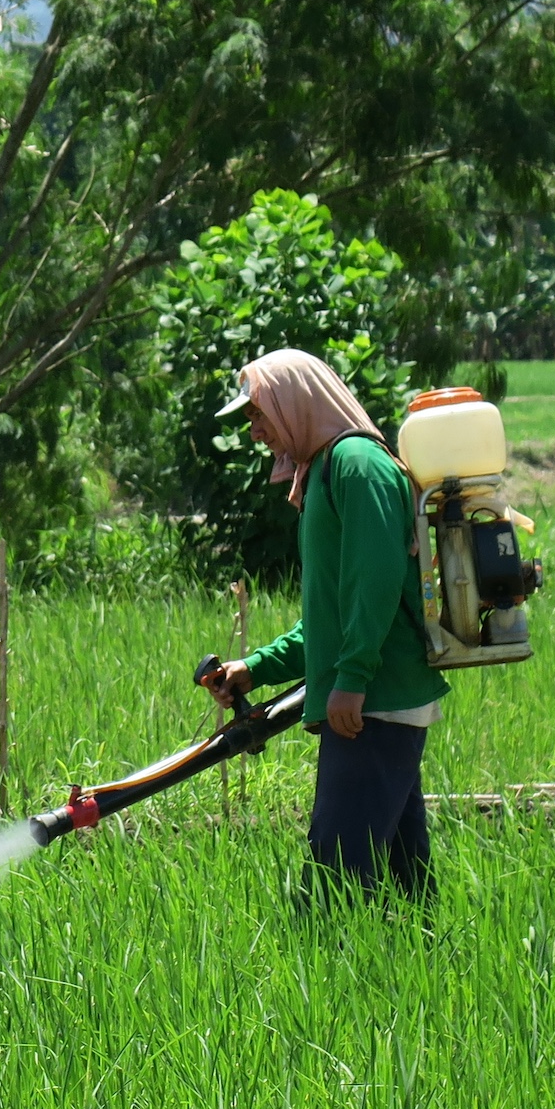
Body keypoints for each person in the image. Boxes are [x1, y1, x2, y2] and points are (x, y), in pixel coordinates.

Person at [201, 349, 446, 903]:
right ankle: (422, 980)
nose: (256, 431)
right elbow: (329, 619)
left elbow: (376, 583)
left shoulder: (357, 464)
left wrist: (353, 678)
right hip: (371, 701)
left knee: (334, 890)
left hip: (372, 703)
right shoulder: (325, 471)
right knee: (405, 892)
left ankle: (336, 980)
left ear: (295, 402)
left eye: (259, 414)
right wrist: (255, 669)